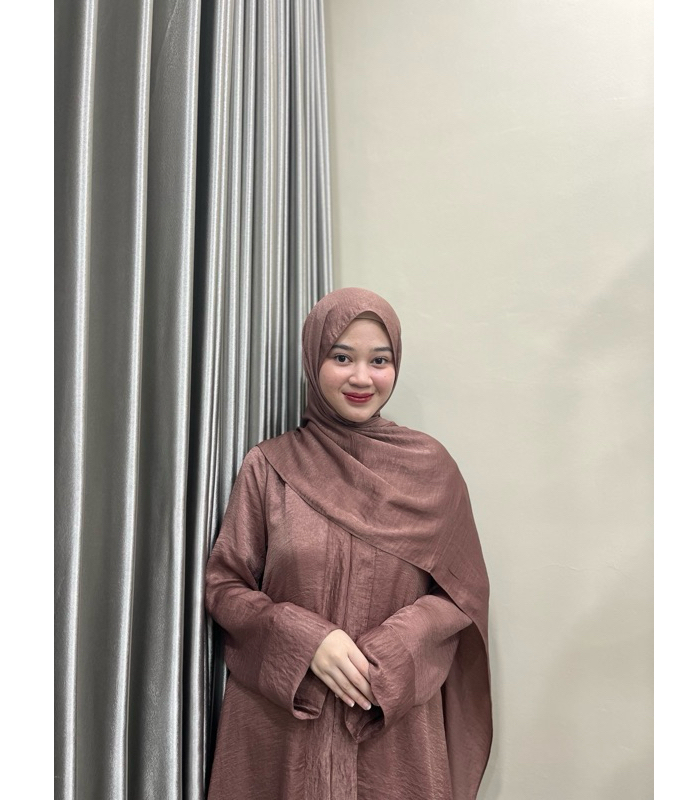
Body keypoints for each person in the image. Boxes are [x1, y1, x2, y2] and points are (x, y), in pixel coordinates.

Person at [205, 287, 492, 800]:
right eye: (342, 357)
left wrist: (393, 652)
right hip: (282, 728)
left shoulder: (432, 472)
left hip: (392, 727)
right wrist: (304, 640)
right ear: (314, 359)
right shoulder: (269, 467)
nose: (362, 377)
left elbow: (460, 595)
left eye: (379, 360)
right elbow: (225, 585)